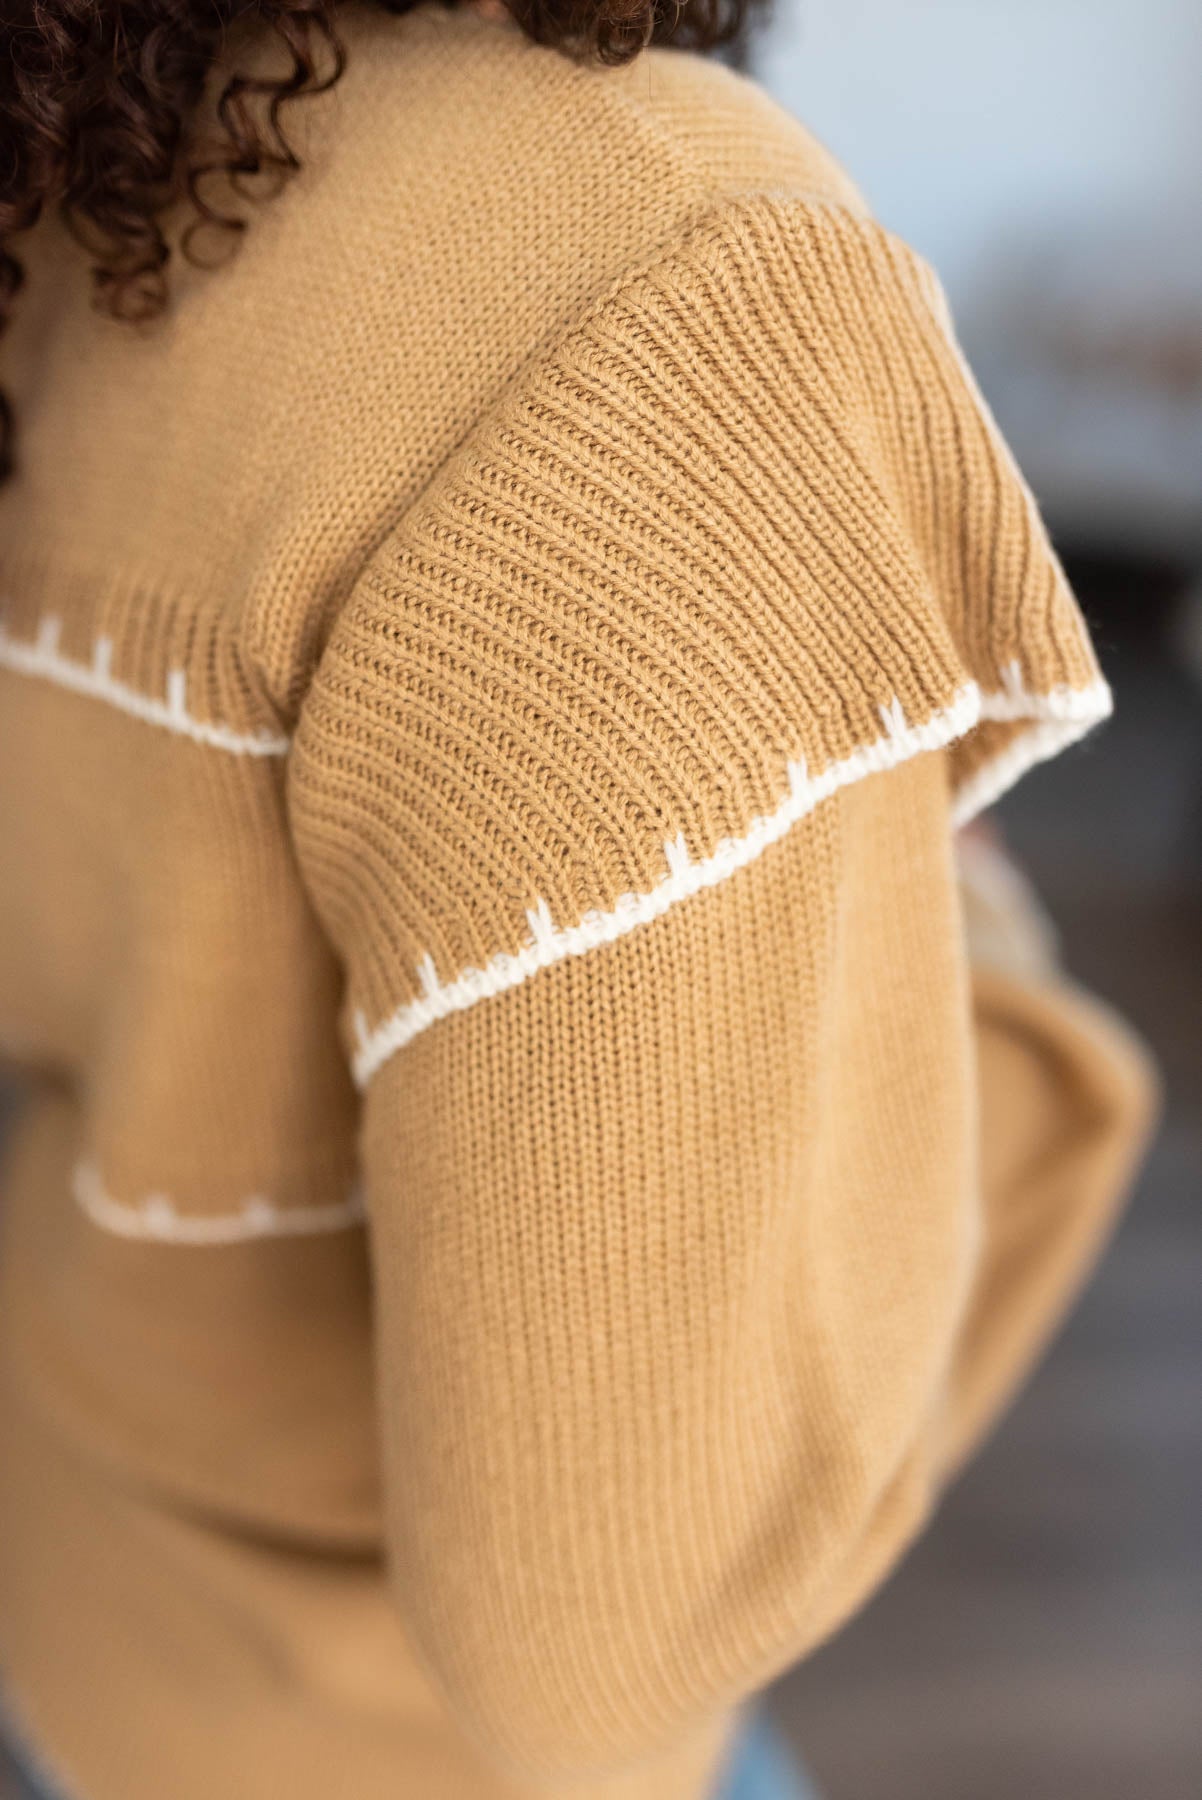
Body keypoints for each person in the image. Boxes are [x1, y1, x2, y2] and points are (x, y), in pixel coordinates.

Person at [0, 3, 1156, 1797]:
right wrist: (979, 953)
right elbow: (611, 1628)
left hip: (77, 1588)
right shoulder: (654, 296)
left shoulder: (65, 157)